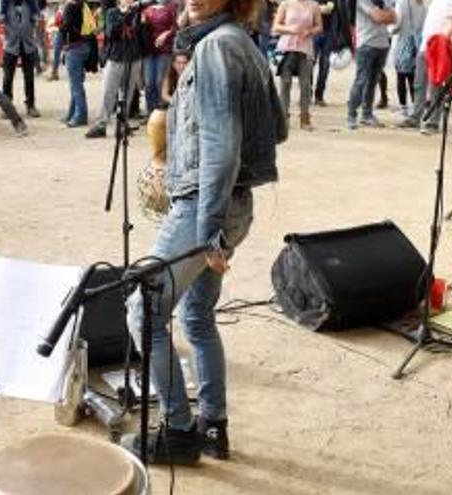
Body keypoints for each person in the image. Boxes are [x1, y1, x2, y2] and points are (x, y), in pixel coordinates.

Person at [120, 0, 288, 465]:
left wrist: (209, 227)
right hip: (229, 205)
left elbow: (220, 144)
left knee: (144, 311)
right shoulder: (242, 43)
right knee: (196, 315)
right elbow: (277, 128)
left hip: (204, 209)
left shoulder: (215, 48)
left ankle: (178, 432)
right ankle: (213, 426)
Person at [84, 0, 143, 139]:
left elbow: (138, 32)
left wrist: (133, 16)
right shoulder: (112, 13)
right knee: (108, 92)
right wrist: (123, 15)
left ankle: (123, 124)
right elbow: (111, 33)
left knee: (127, 94)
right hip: (115, 57)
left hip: (133, 57)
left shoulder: (136, 13)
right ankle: (101, 124)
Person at [397, 0, 452, 134]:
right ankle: (415, 116)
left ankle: (433, 122)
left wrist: (442, 40)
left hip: (437, 47)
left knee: (436, 86)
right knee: (419, 84)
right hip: (425, 46)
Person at [272, 0, 322, 130]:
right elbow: (276, 27)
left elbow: (319, 27)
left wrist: (310, 31)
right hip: (286, 49)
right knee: (285, 85)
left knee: (305, 86)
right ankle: (283, 119)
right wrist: (290, 29)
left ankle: (305, 119)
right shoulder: (286, 4)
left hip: (305, 49)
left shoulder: (314, 5)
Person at [345, 0, 395, 130]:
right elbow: (378, 17)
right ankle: (351, 115)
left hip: (383, 44)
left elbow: (394, 17)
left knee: (373, 82)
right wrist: (386, 15)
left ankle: (367, 115)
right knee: (361, 80)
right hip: (366, 44)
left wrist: (385, 15)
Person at [0, 0, 41, 118]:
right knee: (8, 77)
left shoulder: (30, 4)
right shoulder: (6, 5)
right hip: (11, 45)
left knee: (29, 77)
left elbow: (35, 21)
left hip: (27, 45)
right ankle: (7, 107)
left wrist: (29, 29)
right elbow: (0, 21)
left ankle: (31, 105)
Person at [59, 0, 95, 128]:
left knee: (76, 84)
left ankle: (80, 116)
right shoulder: (84, 5)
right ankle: (72, 113)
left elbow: (66, 27)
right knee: (76, 82)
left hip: (74, 48)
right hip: (86, 46)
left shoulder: (70, 6)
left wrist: (58, 27)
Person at [391, 0, 425, 117]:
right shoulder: (423, 3)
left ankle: (404, 108)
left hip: (403, 42)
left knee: (401, 76)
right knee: (414, 78)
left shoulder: (402, 2)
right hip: (419, 42)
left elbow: (397, 24)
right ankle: (415, 107)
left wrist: (389, 31)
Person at [141, 0, 176, 114]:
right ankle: (150, 111)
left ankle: (160, 111)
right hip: (148, 50)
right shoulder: (146, 10)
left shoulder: (169, 8)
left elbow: (175, 27)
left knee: (159, 81)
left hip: (164, 50)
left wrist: (165, 34)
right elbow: (141, 29)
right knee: (149, 83)